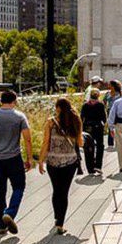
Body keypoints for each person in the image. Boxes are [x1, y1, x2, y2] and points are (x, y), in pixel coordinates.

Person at [0, 90, 33, 235]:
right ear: (14, 101)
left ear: (1, 101)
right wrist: (29, 159)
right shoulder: (19, 117)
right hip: (14, 158)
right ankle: (10, 212)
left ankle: (2, 226)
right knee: (19, 187)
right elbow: (27, 139)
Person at [38, 98, 83, 234]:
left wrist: (41, 161)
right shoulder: (76, 120)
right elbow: (80, 143)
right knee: (64, 192)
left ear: (57, 108)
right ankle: (60, 223)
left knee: (56, 190)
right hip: (70, 162)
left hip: (53, 162)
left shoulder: (50, 122)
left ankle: (57, 217)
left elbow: (45, 143)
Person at [80, 89, 106, 174]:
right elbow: (104, 118)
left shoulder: (85, 105)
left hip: (87, 127)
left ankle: (90, 168)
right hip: (98, 127)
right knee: (100, 146)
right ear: (98, 96)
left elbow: (81, 117)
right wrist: (102, 124)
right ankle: (98, 165)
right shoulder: (100, 105)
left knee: (88, 147)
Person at [104, 79, 120, 148]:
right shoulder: (107, 93)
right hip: (110, 111)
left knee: (118, 126)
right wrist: (105, 107)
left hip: (118, 112)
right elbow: (104, 101)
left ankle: (118, 142)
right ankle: (110, 143)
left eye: (109, 84)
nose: (108, 85)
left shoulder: (119, 93)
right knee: (110, 126)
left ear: (113, 86)